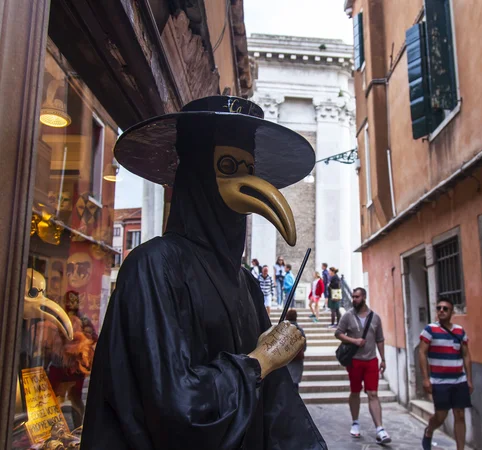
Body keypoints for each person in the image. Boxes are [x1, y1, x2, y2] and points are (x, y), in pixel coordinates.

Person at [81, 96, 326, 449]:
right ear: (197, 176)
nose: (247, 180)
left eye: (249, 168)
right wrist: (259, 362)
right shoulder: (153, 265)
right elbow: (174, 405)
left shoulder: (246, 283)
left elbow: (273, 404)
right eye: (228, 166)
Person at [335, 288, 391, 445]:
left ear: (364, 297)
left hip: (371, 360)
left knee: (373, 393)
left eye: (357, 297)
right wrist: (354, 341)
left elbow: (380, 339)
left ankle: (380, 428)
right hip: (354, 361)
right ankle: (355, 422)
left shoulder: (375, 318)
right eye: (353, 297)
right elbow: (338, 333)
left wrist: (383, 359)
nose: (354, 299)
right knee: (355, 392)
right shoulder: (347, 316)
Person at [419, 298, 473, 450]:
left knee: (460, 415)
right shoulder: (430, 330)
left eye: (445, 308)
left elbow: (466, 355)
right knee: (441, 416)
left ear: (452, 312)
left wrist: (469, 379)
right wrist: (426, 379)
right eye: (439, 308)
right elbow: (422, 353)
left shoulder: (460, 331)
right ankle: (429, 430)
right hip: (439, 381)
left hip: (459, 380)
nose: (441, 311)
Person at [285, 309, 306, 392]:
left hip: (285, 360)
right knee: (294, 383)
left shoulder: (283, 330)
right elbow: (304, 346)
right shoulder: (299, 330)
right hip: (297, 360)